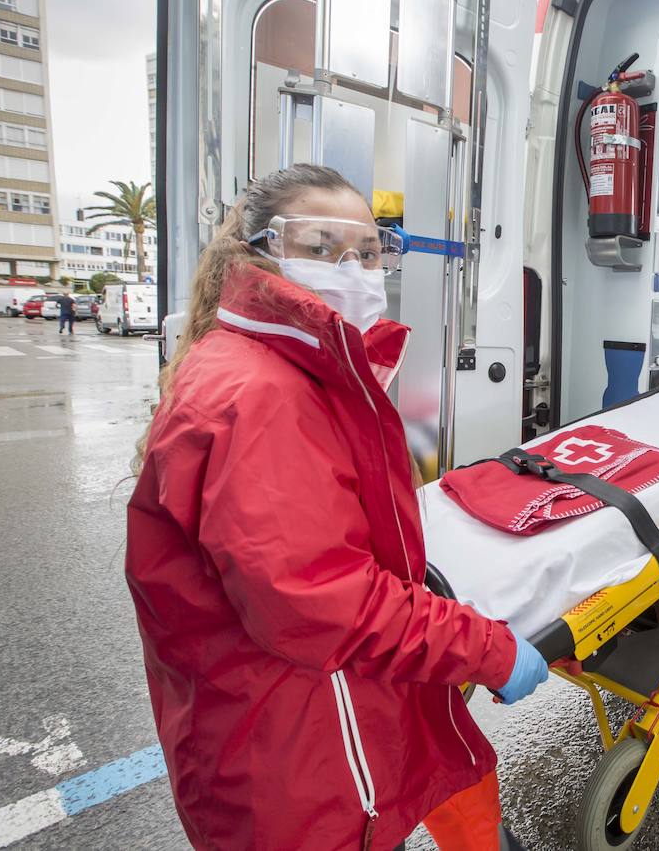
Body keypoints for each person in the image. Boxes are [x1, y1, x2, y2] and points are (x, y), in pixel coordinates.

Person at [125, 164, 546, 850]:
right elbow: (323, 601)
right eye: (321, 247)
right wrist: (488, 649)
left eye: (370, 251)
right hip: (291, 766)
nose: (353, 268)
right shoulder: (261, 396)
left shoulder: (280, 369)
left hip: (287, 734)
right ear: (257, 250)